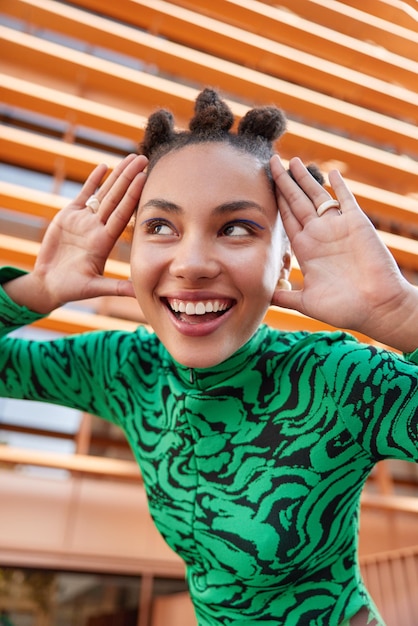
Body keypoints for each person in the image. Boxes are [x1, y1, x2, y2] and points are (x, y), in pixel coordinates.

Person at [0, 88, 417, 626]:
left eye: (236, 228)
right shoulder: (126, 368)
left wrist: (401, 314)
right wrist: (35, 290)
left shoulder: (335, 378)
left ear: (284, 256)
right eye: (160, 227)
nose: (192, 262)